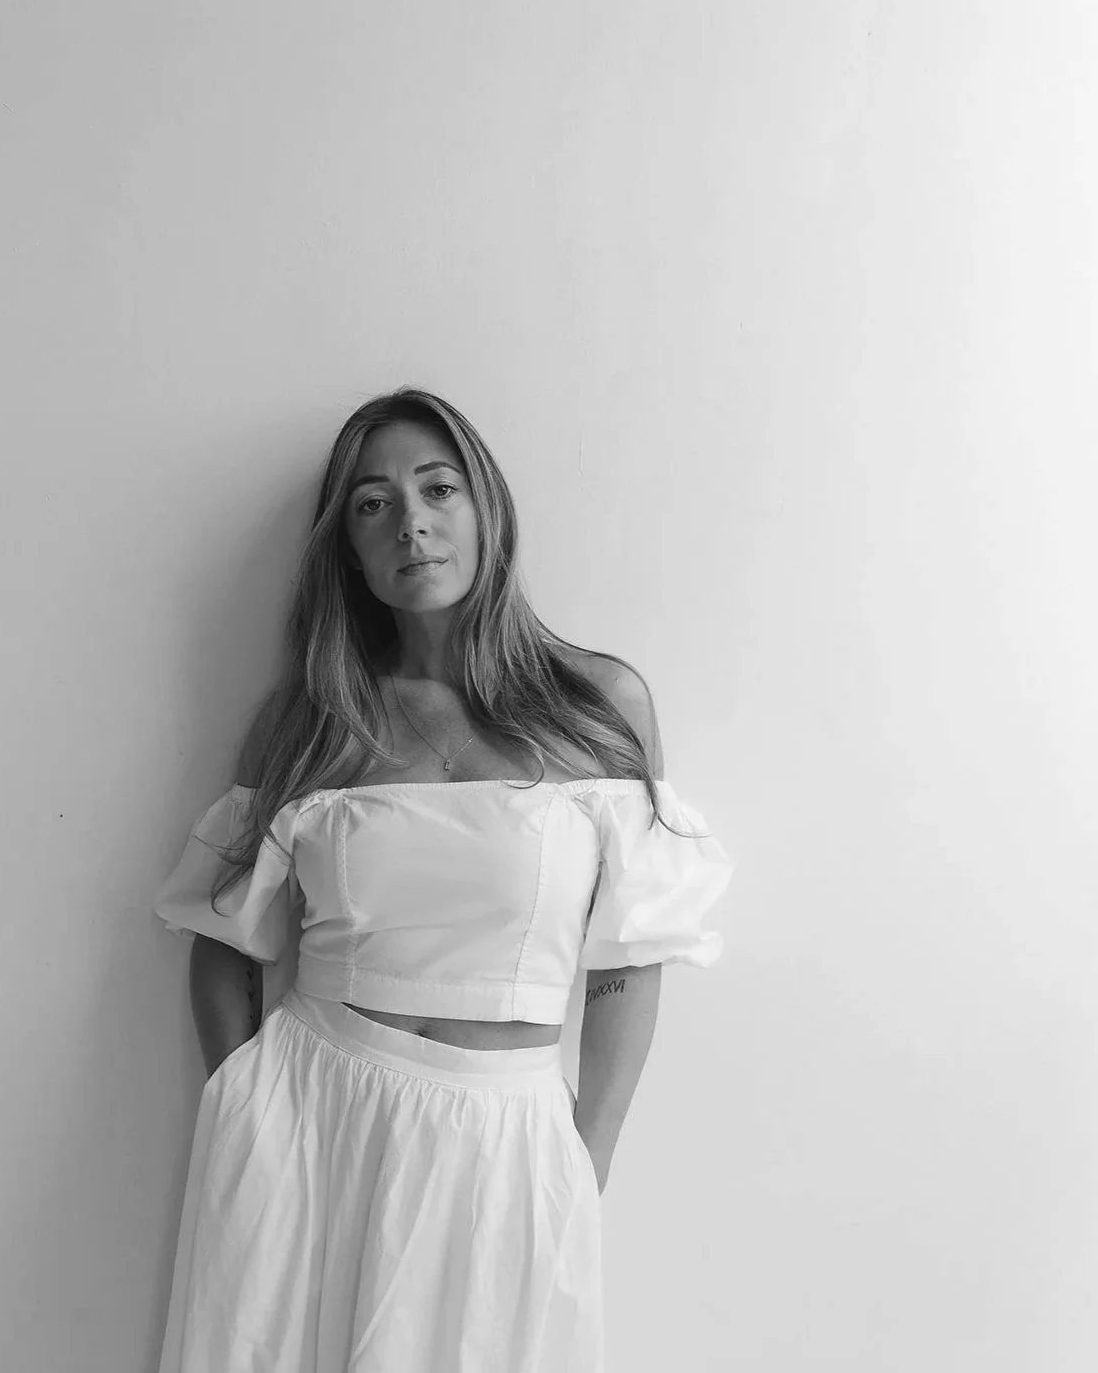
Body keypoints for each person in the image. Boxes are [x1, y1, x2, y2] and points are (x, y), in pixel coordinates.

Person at [151, 387, 735, 1371]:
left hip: (503, 1139)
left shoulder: (595, 703)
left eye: (436, 487)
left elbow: (629, 961)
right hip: (311, 1120)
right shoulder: (313, 720)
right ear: (347, 546)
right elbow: (221, 945)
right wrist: (245, 1113)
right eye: (372, 504)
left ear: (485, 509)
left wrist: (580, 1166)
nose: (410, 523)